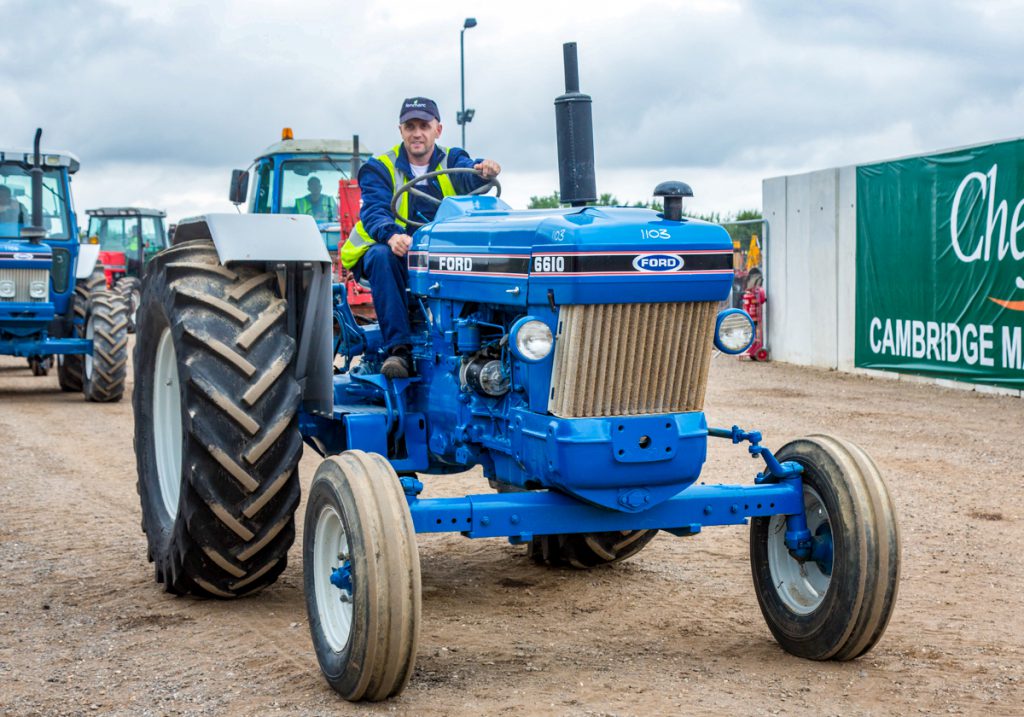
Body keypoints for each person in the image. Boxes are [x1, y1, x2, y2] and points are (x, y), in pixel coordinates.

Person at [340, 96, 501, 378]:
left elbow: (470, 174)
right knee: (381, 256)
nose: (417, 133)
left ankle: (481, 342)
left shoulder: (452, 159)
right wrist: (391, 235)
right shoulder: (379, 167)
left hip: (435, 255)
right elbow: (375, 210)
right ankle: (398, 352)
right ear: (400, 130)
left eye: (424, 126)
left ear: (437, 130)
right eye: (410, 126)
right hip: (390, 251)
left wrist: (483, 171)